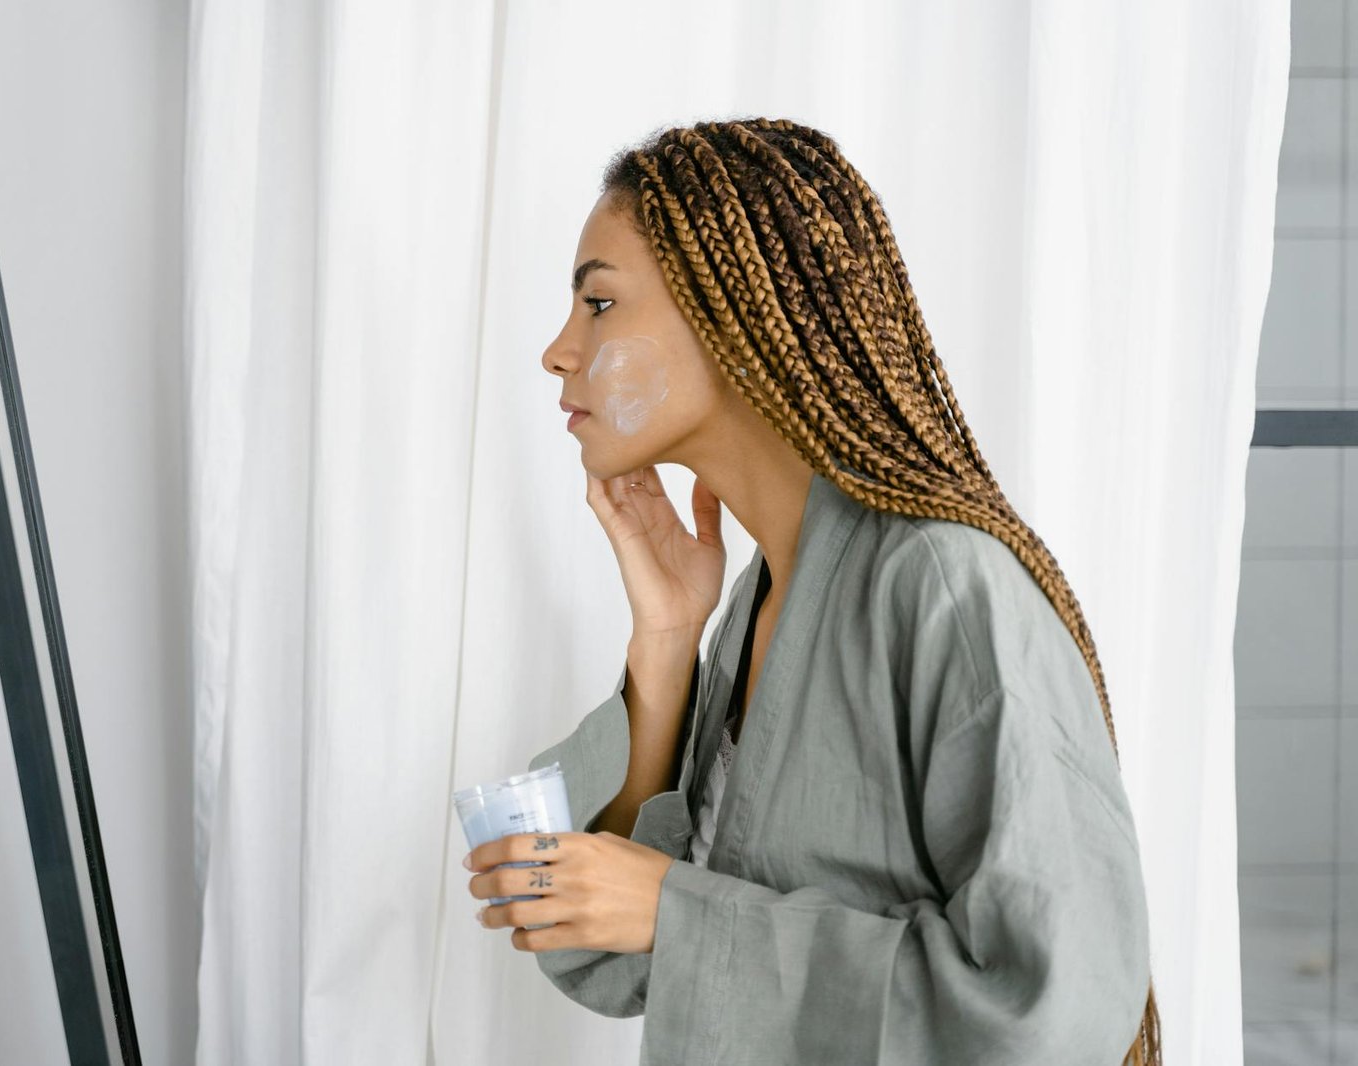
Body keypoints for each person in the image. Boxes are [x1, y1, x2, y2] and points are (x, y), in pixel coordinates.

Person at [462, 117, 1160, 1065]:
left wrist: (680, 915)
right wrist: (666, 646)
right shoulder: (755, 604)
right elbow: (609, 961)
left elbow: (1054, 1008)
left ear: (732, 319)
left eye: (598, 304)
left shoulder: (946, 589)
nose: (557, 350)